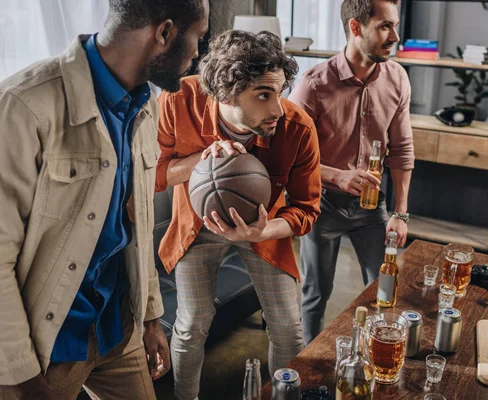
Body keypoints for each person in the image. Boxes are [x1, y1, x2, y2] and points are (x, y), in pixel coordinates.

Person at [0, 0, 209, 398]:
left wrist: (150, 318)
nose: (199, 52)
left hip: (117, 328)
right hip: (49, 348)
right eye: (198, 36)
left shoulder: (144, 105)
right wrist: (21, 378)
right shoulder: (23, 106)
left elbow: (138, 222)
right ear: (164, 34)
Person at [155, 30, 321, 400]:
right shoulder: (176, 101)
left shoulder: (297, 128)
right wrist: (204, 158)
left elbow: (307, 210)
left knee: (288, 329)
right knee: (190, 324)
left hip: (265, 229)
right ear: (225, 92)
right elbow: (152, 174)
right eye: (264, 95)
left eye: (279, 92)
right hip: (197, 227)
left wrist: (266, 230)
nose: (277, 108)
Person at [289, 0, 415, 345]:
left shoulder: (398, 78)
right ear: (356, 28)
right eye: (385, 26)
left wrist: (401, 213)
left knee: (385, 289)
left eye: (395, 25)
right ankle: (309, 366)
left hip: (373, 209)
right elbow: (289, 157)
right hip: (322, 204)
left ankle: (377, 359)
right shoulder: (313, 84)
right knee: (315, 295)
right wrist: (336, 176)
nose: (396, 36)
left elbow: (402, 151)